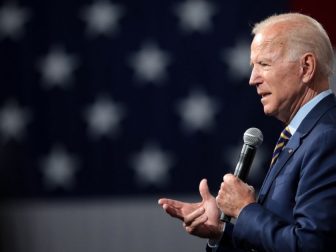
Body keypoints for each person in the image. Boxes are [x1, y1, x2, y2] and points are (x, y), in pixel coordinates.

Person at [158, 13, 336, 252]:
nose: (252, 79)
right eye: (253, 67)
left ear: (306, 67)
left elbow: (311, 246)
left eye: (264, 64)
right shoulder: (305, 135)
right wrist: (221, 231)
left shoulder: (327, 137)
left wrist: (244, 210)